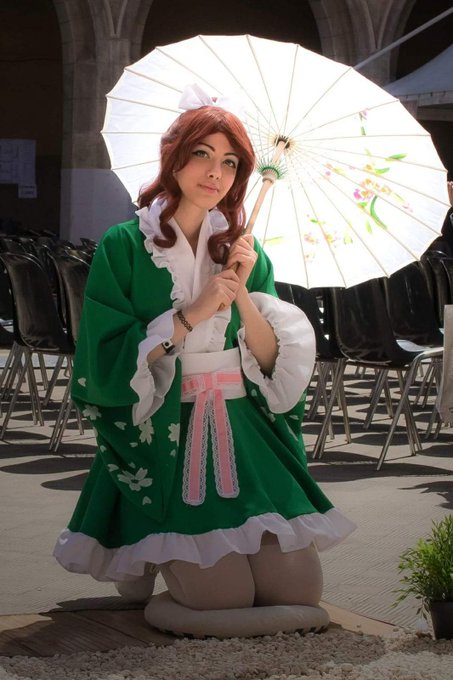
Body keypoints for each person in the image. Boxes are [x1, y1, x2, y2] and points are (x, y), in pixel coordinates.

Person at [54, 93, 355, 620]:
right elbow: (104, 354)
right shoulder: (124, 244)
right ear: (174, 159)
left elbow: (270, 364)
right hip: (166, 428)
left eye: (230, 162)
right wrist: (192, 313)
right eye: (202, 154)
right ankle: (154, 565)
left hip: (243, 431)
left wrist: (241, 294)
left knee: (299, 593)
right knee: (223, 599)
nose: (216, 172)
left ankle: (163, 571)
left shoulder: (244, 251)